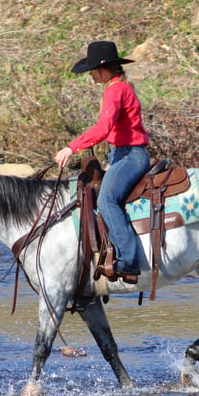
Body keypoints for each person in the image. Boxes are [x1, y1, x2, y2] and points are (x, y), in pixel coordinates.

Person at [54, 41, 150, 284]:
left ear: (104, 68)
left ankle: (128, 261)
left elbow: (103, 128)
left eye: (93, 70)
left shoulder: (115, 91)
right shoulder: (118, 88)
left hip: (130, 155)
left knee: (107, 200)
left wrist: (72, 147)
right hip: (122, 154)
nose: (91, 75)